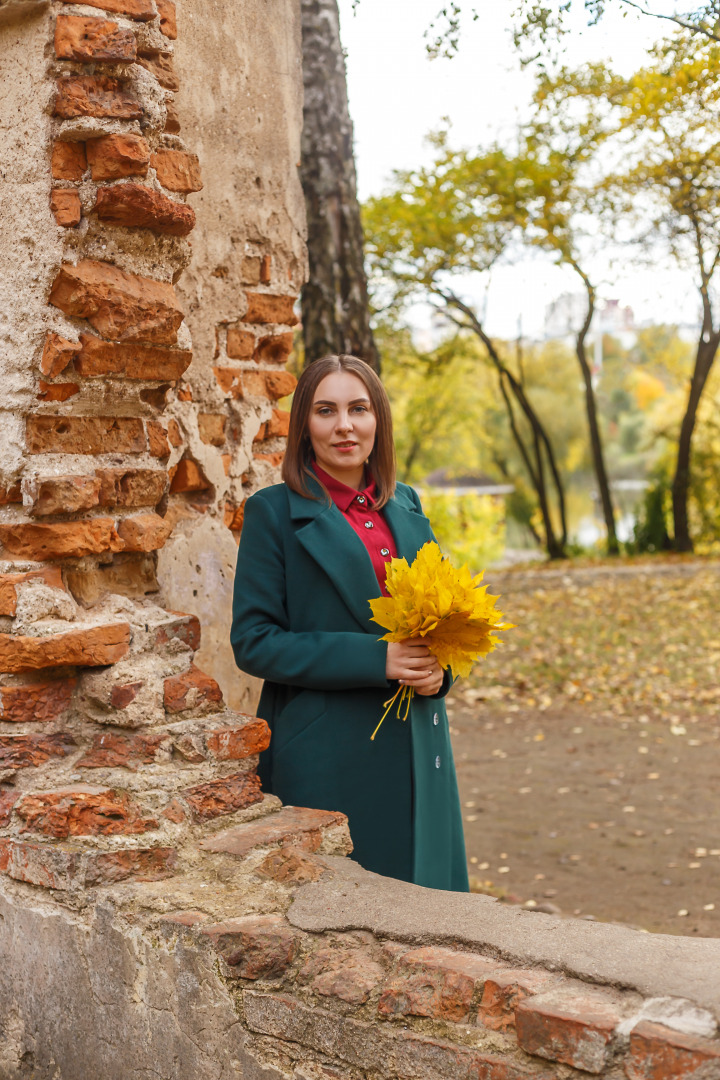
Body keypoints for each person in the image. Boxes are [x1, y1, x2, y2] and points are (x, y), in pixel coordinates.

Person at [231, 354, 468, 892]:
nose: (344, 425)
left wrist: (441, 673)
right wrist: (377, 659)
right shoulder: (272, 512)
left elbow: (441, 622)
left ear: (377, 419)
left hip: (420, 743)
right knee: (349, 919)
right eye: (325, 410)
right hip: (330, 749)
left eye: (358, 409)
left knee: (433, 912)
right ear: (304, 425)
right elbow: (254, 642)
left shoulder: (407, 503)